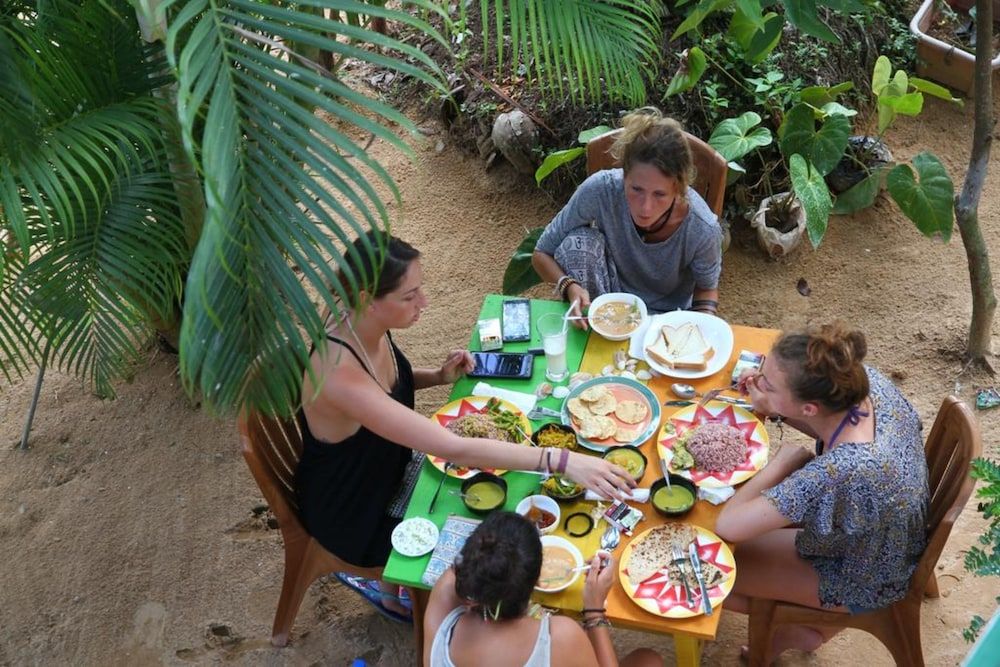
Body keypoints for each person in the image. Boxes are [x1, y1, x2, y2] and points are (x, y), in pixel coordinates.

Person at [296, 231, 635, 621]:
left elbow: (384, 392)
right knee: (498, 553)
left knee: (514, 499)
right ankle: (390, 589)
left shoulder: (362, 321)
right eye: (409, 297)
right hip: (359, 509)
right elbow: (451, 447)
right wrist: (562, 460)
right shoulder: (338, 373)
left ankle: (395, 590)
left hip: (391, 470)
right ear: (365, 300)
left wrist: (438, 376)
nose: (423, 302)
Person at [714, 322, 929, 662]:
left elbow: (728, 525)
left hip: (866, 573)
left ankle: (804, 629)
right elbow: (823, 423)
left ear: (809, 408)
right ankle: (807, 626)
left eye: (766, 383)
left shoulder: (837, 472)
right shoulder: (861, 381)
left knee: (717, 569)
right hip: (891, 532)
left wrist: (785, 461)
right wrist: (772, 404)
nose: (756, 382)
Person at [531, 107, 722, 327]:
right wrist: (569, 286)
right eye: (636, 189)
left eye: (659, 194)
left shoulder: (702, 226)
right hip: (606, 305)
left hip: (667, 319)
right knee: (578, 241)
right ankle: (590, 323)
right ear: (624, 175)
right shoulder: (601, 190)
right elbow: (541, 252)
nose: (646, 208)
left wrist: (701, 328)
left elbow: (707, 287)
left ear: (678, 189)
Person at [423, 511, 663, 667]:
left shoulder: (443, 599)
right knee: (649, 660)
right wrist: (594, 611)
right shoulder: (560, 636)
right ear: (537, 582)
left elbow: (461, 568)